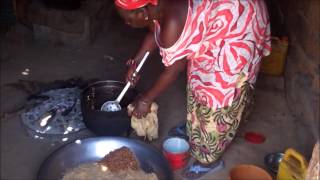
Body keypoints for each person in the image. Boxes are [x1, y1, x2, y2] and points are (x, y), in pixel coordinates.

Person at [115, 0, 271, 177]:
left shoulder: (172, 23)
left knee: (219, 89)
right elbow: (154, 33)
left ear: (143, 12)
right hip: (214, 18)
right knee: (199, 77)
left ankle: (209, 159)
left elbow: (173, 70)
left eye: (127, 19)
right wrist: (136, 62)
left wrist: (146, 100)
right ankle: (196, 128)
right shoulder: (157, 9)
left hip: (236, 21)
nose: (126, 24)